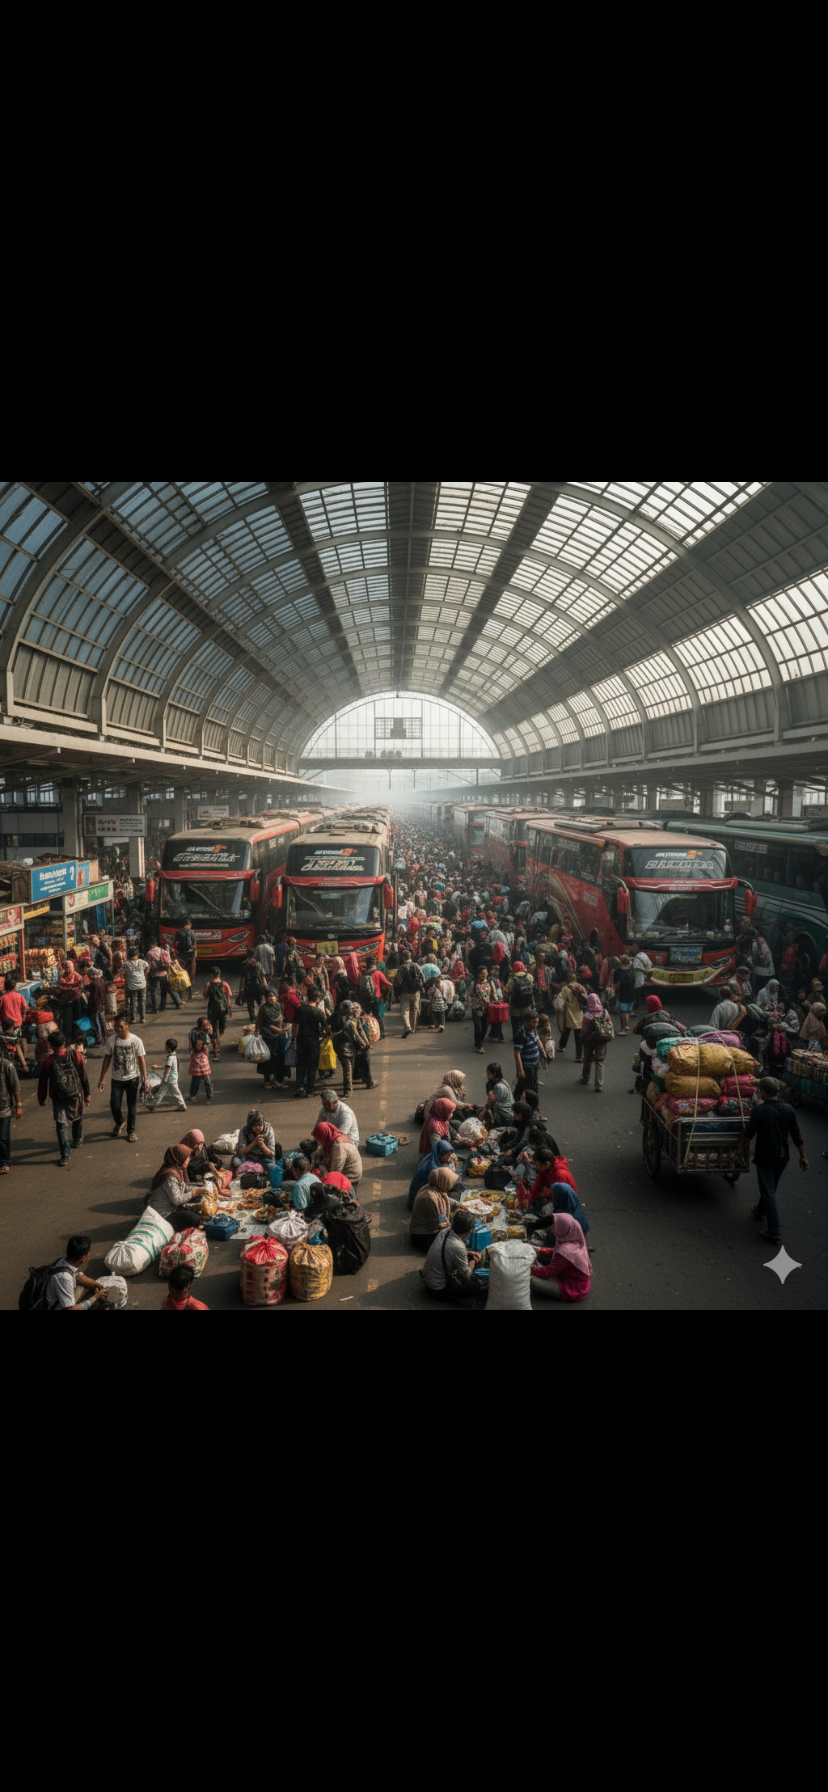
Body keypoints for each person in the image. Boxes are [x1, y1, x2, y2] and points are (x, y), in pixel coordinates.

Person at [735, 1075, 808, 1246]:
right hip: (783, 1158)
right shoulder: (789, 1109)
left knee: (768, 1191)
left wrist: (739, 1150)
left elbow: (748, 1133)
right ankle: (760, 1210)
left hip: (766, 1157)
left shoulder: (760, 1111)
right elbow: (797, 1136)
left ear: (764, 1093)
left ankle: (774, 1230)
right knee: (770, 1186)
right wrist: (803, 1156)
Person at [38, 1030, 91, 1165]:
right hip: (76, 1093)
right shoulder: (76, 1055)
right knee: (77, 1116)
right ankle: (77, 1139)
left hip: (59, 1096)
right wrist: (87, 1094)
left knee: (61, 1124)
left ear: (51, 1045)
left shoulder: (48, 1061)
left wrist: (42, 1097)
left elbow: (43, 1081)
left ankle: (65, 1154)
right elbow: (83, 1076)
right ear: (64, 1042)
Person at [98, 1016, 148, 1142]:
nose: (118, 1029)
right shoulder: (111, 1040)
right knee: (114, 1104)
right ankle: (120, 1121)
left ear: (127, 1026)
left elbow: (141, 1061)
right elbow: (107, 1059)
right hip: (117, 1079)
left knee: (132, 1107)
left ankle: (131, 1131)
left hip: (133, 1079)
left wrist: (145, 1079)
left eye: (120, 1027)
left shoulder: (136, 1041)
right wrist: (102, 1078)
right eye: (116, 1027)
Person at [422, 1209, 482, 1304]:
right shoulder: (458, 1246)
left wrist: (469, 1253)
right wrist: (473, 1262)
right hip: (437, 1289)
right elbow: (466, 1274)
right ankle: (456, 1299)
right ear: (468, 1232)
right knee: (475, 1286)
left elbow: (449, 1251)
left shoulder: (444, 1232)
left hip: (429, 1280)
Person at [531, 1212, 592, 1301]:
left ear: (562, 1227)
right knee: (538, 1257)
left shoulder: (567, 1251)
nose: (551, 1228)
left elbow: (548, 1272)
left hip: (573, 1288)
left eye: (553, 1226)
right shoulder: (574, 1238)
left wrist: (529, 1269)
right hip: (580, 1282)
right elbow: (556, 1252)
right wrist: (538, 1250)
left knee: (532, 1281)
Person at [45, 1235, 110, 1310]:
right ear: (84, 1258)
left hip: (62, 1298)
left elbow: (78, 1276)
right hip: (58, 1308)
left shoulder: (65, 1261)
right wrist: (96, 1297)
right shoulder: (64, 1278)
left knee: (88, 1287)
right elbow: (70, 1309)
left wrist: (95, 1284)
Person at [410, 1165, 460, 1249]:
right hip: (423, 1235)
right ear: (444, 1182)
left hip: (425, 1228)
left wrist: (458, 1204)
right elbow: (440, 1222)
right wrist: (454, 1230)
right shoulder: (431, 1199)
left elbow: (446, 1198)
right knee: (453, 1243)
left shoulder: (433, 1187)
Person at [293, 987, 329, 1099]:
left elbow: (295, 1026)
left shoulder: (300, 1009)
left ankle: (299, 1087)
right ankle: (310, 1089)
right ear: (317, 998)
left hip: (301, 1041)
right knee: (312, 1065)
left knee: (301, 1064)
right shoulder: (319, 1012)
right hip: (313, 1042)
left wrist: (293, 1038)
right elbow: (326, 1027)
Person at [331, 1000, 373, 1097]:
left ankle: (348, 1089)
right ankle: (348, 1091)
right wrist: (365, 1044)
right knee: (348, 1069)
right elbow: (356, 1035)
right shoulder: (350, 1022)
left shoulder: (336, 1018)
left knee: (348, 1068)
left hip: (337, 1046)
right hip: (347, 1048)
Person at [148, 1143, 198, 1223]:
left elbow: (184, 1187)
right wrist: (193, 1193)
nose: (189, 1160)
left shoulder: (178, 1170)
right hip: (162, 1215)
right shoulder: (170, 1177)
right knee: (194, 1218)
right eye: (186, 1158)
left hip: (171, 1208)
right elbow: (177, 1200)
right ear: (179, 1158)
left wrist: (201, 1188)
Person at [407, 1135, 457, 1209]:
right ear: (440, 1155)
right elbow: (442, 1185)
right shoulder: (432, 1167)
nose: (449, 1158)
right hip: (420, 1200)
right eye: (447, 1155)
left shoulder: (434, 1156)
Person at [311, 1121, 363, 1188]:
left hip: (351, 1177)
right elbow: (320, 1151)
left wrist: (323, 1177)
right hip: (343, 1168)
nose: (319, 1142)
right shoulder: (333, 1136)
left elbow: (335, 1171)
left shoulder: (338, 1146)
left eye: (319, 1139)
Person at [580, 991, 611, 1092]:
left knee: (587, 1059)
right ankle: (599, 1084)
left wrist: (583, 1040)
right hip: (602, 1040)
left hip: (589, 1041)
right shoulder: (605, 1012)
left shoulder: (588, 1015)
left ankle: (585, 1078)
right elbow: (609, 1024)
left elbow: (584, 1030)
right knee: (600, 1061)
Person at [254, 989, 284, 1091]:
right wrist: (257, 1032)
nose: (272, 998)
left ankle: (275, 1079)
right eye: (269, 997)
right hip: (267, 1036)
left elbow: (281, 1019)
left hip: (277, 1036)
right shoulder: (264, 1009)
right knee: (267, 1058)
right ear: (266, 998)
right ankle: (266, 1080)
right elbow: (262, 1022)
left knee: (276, 1058)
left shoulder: (278, 1007)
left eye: (273, 996)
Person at [147, 1037, 187, 1112]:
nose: (165, 1048)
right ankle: (182, 1105)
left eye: (166, 1047)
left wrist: (163, 1080)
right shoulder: (174, 1056)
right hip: (174, 1079)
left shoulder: (169, 1058)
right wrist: (158, 1067)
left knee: (160, 1093)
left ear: (169, 1048)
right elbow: (169, 1067)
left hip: (168, 1080)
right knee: (177, 1093)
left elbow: (168, 1070)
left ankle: (151, 1104)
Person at [0, 1046, 23, 1174]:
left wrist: (18, 1105)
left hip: (4, 1108)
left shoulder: (6, 1066)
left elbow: (15, 1086)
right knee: (3, 1137)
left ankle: (5, 1162)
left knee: (2, 1137)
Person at [204, 966, 233, 1057]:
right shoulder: (224, 984)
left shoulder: (209, 985)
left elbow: (205, 995)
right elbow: (228, 997)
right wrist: (230, 1010)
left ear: (211, 975)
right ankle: (218, 1044)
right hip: (223, 1010)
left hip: (212, 1010)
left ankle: (215, 1048)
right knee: (222, 1029)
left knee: (212, 1029)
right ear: (219, 974)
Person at [395, 952, 426, 1038]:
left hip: (405, 992)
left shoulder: (401, 968)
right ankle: (412, 1028)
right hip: (415, 992)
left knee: (405, 1011)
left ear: (404, 958)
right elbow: (423, 979)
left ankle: (407, 1027)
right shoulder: (416, 965)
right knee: (414, 1010)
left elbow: (398, 980)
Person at [558, 973, 587, 1058]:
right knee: (578, 1034)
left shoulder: (565, 989)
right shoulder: (581, 987)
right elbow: (586, 999)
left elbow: (561, 1002)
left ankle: (562, 1045)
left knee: (566, 1031)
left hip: (568, 1013)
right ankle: (579, 1055)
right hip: (579, 1013)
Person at [513, 1011, 541, 1099]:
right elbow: (517, 1054)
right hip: (527, 1066)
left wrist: (543, 1051)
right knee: (524, 1087)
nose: (536, 1024)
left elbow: (537, 1040)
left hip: (534, 1064)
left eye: (537, 1022)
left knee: (532, 1085)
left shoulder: (533, 1029)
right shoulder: (520, 1034)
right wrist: (521, 1070)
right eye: (533, 1022)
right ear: (526, 1022)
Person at [147, 943, 181, 1013]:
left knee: (153, 991)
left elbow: (148, 966)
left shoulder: (149, 953)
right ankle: (162, 1006)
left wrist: (146, 974)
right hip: (163, 973)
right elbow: (168, 962)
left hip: (154, 974)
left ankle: (155, 1009)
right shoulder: (163, 951)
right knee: (164, 990)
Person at [238, 949, 266, 1023]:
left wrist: (241, 988)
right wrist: (265, 986)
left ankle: (252, 1017)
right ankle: (263, 1016)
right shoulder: (258, 964)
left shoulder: (244, 964)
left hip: (248, 987)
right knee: (260, 1002)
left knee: (250, 1004)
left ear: (247, 954)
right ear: (254, 955)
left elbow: (243, 978)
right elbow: (262, 976)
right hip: (258, 987)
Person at [124, 949, 149, 1024]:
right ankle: (142, 1018)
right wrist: (145, 974)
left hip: (132, 985)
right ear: (137, 955)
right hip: (142, 983)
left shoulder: (126, 964)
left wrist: (128, 979)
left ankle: (134, 1018)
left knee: (134, 1002)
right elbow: (148, 966)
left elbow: (124, 974)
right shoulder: (142, 962)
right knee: (142, 1001)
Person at [174, 921, 197, 996]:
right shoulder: (191, 932)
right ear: (189, 925)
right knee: (190, 973)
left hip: (181, 955)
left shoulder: (178, 932)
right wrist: (195, 953)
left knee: (181, 973)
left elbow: (175, 942)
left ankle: (181, 995)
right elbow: (194, 943)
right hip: (190, 955)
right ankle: (190, 992)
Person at [631, 944, 653, 1009]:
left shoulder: (636, 958)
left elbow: (635, 967)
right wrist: (647, 970)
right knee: (641, 990)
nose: (632, 948)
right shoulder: (644, 955)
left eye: (633, 947)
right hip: (643, 978)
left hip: (638, 977)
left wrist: (643, 970)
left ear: (637, 948)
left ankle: (635, 1006)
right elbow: (650, 963)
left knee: (636, 992)